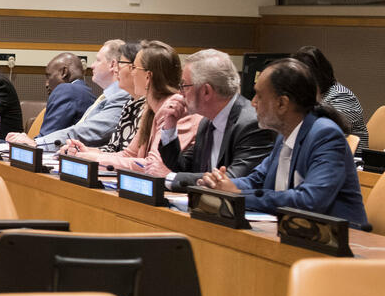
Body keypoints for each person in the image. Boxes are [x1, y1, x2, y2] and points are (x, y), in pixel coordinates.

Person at [198, 58, 366, 227]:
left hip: (343, 237)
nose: (253, 102)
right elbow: (256, 179)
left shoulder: (325, 135)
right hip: (295, 230)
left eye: (259, 96)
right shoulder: (285, 134)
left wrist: (239, 194)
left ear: (282, 103)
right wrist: (220, 184)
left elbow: (310, 201)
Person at [67, 40, 198, 176]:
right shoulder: (150, 108)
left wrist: (95, 159)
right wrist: (87, 153)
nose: (132, 72)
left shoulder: (176, 108)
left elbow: (154, 166)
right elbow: (128, 155)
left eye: (134, 67)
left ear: (148, 76)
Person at [157, 49, 275, 191]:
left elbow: (231, 181)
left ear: (206, 91)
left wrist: (170, 178)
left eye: (184, 86)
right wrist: (170, 127)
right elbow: (182, 166)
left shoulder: (252, 124)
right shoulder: (207, 122)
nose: (180, 93)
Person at [8, 39, 131, 150]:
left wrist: (38, 143)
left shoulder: (121, 96)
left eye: (98, 60)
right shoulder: (98, 96)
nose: (92, 65)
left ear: (113, 65)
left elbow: (89, 131)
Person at [293, 45, 368, 154]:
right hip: (324, 152)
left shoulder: (342, 96)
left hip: (350, 157)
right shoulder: (310, 96)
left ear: (316, 75)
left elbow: (326, 132)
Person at [97, 41, 146, 154]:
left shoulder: (150, 108)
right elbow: (112, 148)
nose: (115, 70)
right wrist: (84, 151)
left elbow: (132, 157)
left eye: (120, 63)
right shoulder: (130, 103)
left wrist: (91, 156)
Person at [37, 53, 95, 134]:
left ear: (64, 72)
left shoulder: (67, 90)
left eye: (49, 76)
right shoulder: (89, 94)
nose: (46, 84)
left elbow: (45, 137)